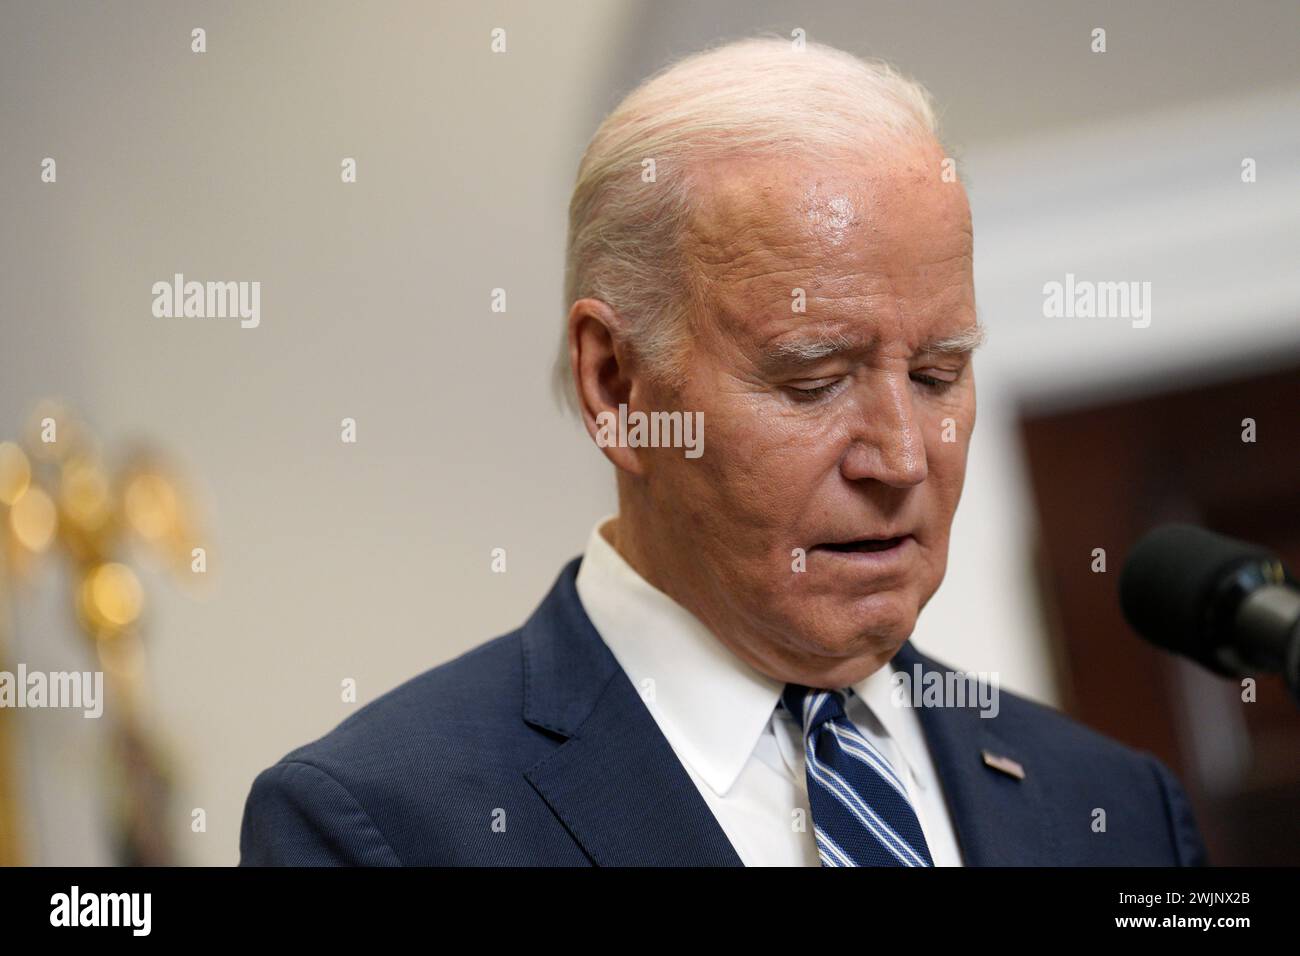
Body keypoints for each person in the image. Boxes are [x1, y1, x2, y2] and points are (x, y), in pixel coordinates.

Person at [240, 37, 1207, 866]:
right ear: (616, 385)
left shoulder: (1117, 811)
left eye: (938, 374)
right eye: (814, 381)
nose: (904, 460)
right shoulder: (384, 827)